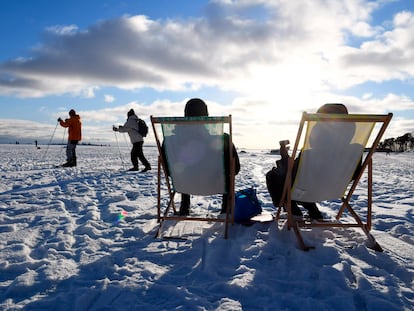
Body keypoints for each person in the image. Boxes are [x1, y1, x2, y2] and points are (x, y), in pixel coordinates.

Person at [267, 103, 356, 220]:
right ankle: (313, 210)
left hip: (308, 187)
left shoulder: (311, 153)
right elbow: (354, 175)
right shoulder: (354, 150)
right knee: (306, 181)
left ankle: (292, 209)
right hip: (336, 188)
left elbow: (294, 172)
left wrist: (284, 156)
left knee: (274, 176)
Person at [171, 98, 241, 216]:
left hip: (184, 183)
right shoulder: (222, 139)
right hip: (214, 182)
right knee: (227, 171)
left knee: (183, 171)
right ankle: (225, 209)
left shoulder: (171, 140)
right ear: (206, 116)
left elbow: (169, 170)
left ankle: (184, 207)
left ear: (185, 115)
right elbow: (236, 169)